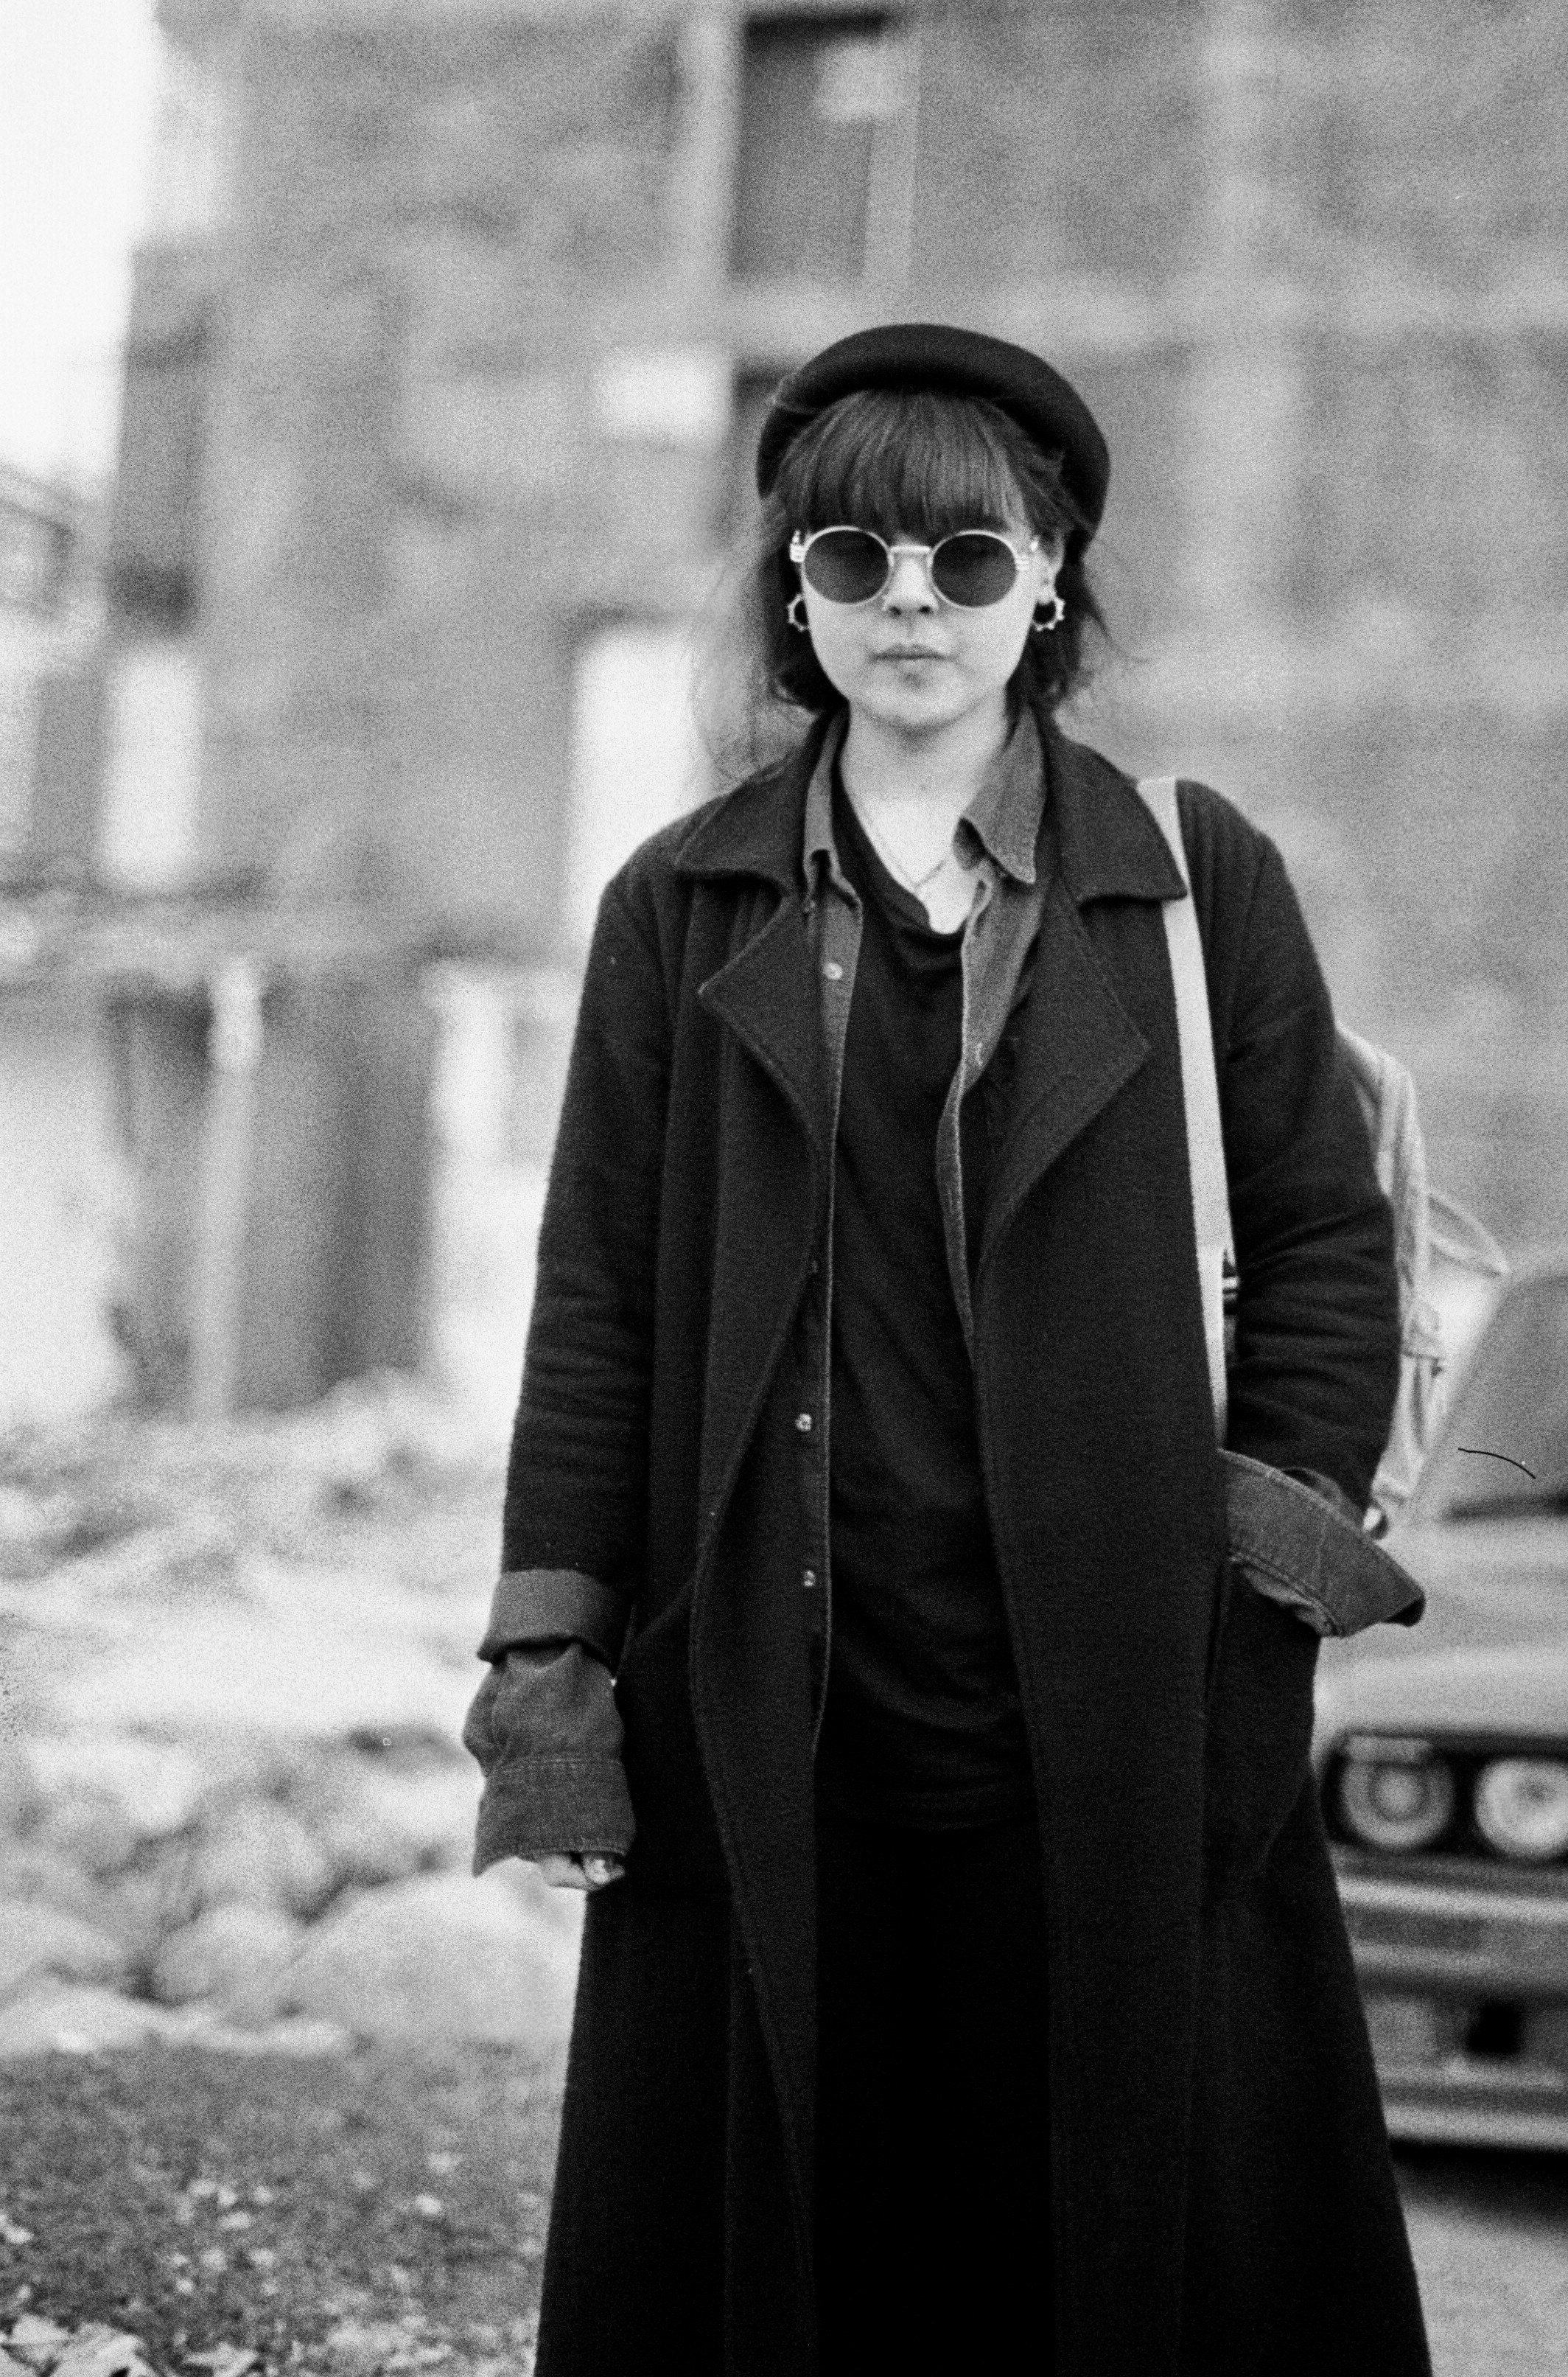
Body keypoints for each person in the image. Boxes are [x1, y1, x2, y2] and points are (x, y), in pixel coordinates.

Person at [464, 323, 1434, 2377]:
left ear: (1049, 582)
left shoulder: (1188, 882)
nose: (910, 604)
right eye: (855, 561)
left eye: (965, 562)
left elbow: (1332, 1243)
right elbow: (599, 1310)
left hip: (1118, 1704)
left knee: (1110, 2261)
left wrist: (1256, 1572)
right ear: (796, 595)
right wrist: (549, 1681)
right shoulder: (681, 900)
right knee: (802, 2270)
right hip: (772, 1704)